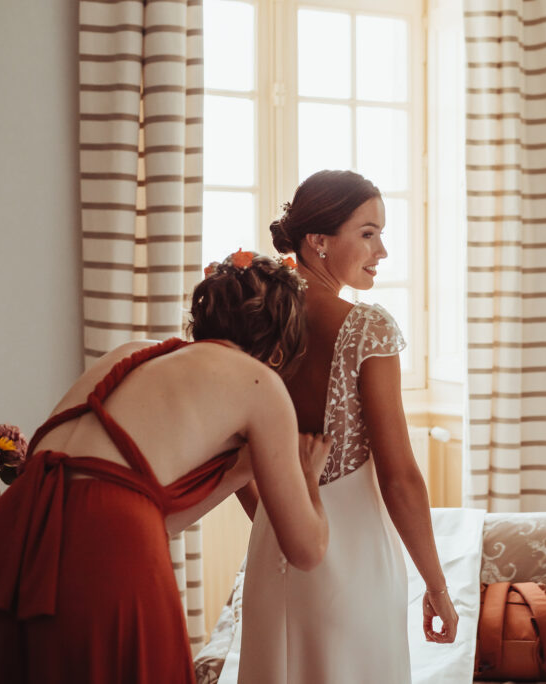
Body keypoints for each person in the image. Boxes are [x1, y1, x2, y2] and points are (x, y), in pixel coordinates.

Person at [0, 251, 331, 684]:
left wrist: (237, 472)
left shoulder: (133, 352)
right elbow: (307, 550)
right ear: (280, 348)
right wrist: (308, 476)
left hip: (14, 528)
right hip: (107, 539)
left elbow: (142, 516)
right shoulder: (259, 381)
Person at [235, 170, 458, 684]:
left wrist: (277, 522)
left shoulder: (250, 322)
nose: (382, 251)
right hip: (354, 564)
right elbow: (400, 478)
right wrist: (437, 586)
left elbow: (232, 453)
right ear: (319, 240)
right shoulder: (366, 329)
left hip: (274, 548)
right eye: (368, 233)